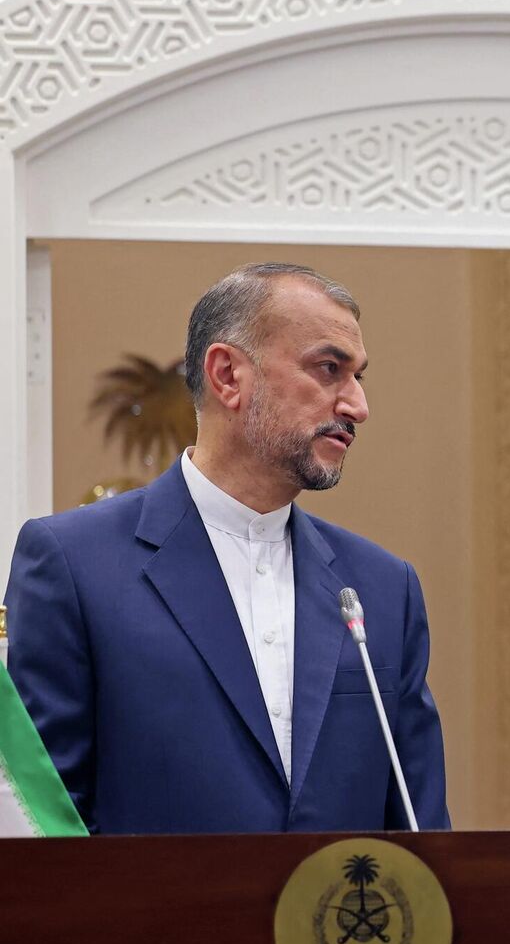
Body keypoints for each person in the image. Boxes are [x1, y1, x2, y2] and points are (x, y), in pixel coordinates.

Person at [2, 263, 449, 834]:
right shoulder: (74, 565)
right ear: (228, 375)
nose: (357, 406)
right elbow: (43, 822)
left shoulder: (383, 588)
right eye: (329, 369)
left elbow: (421, 833)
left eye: (359, 377)